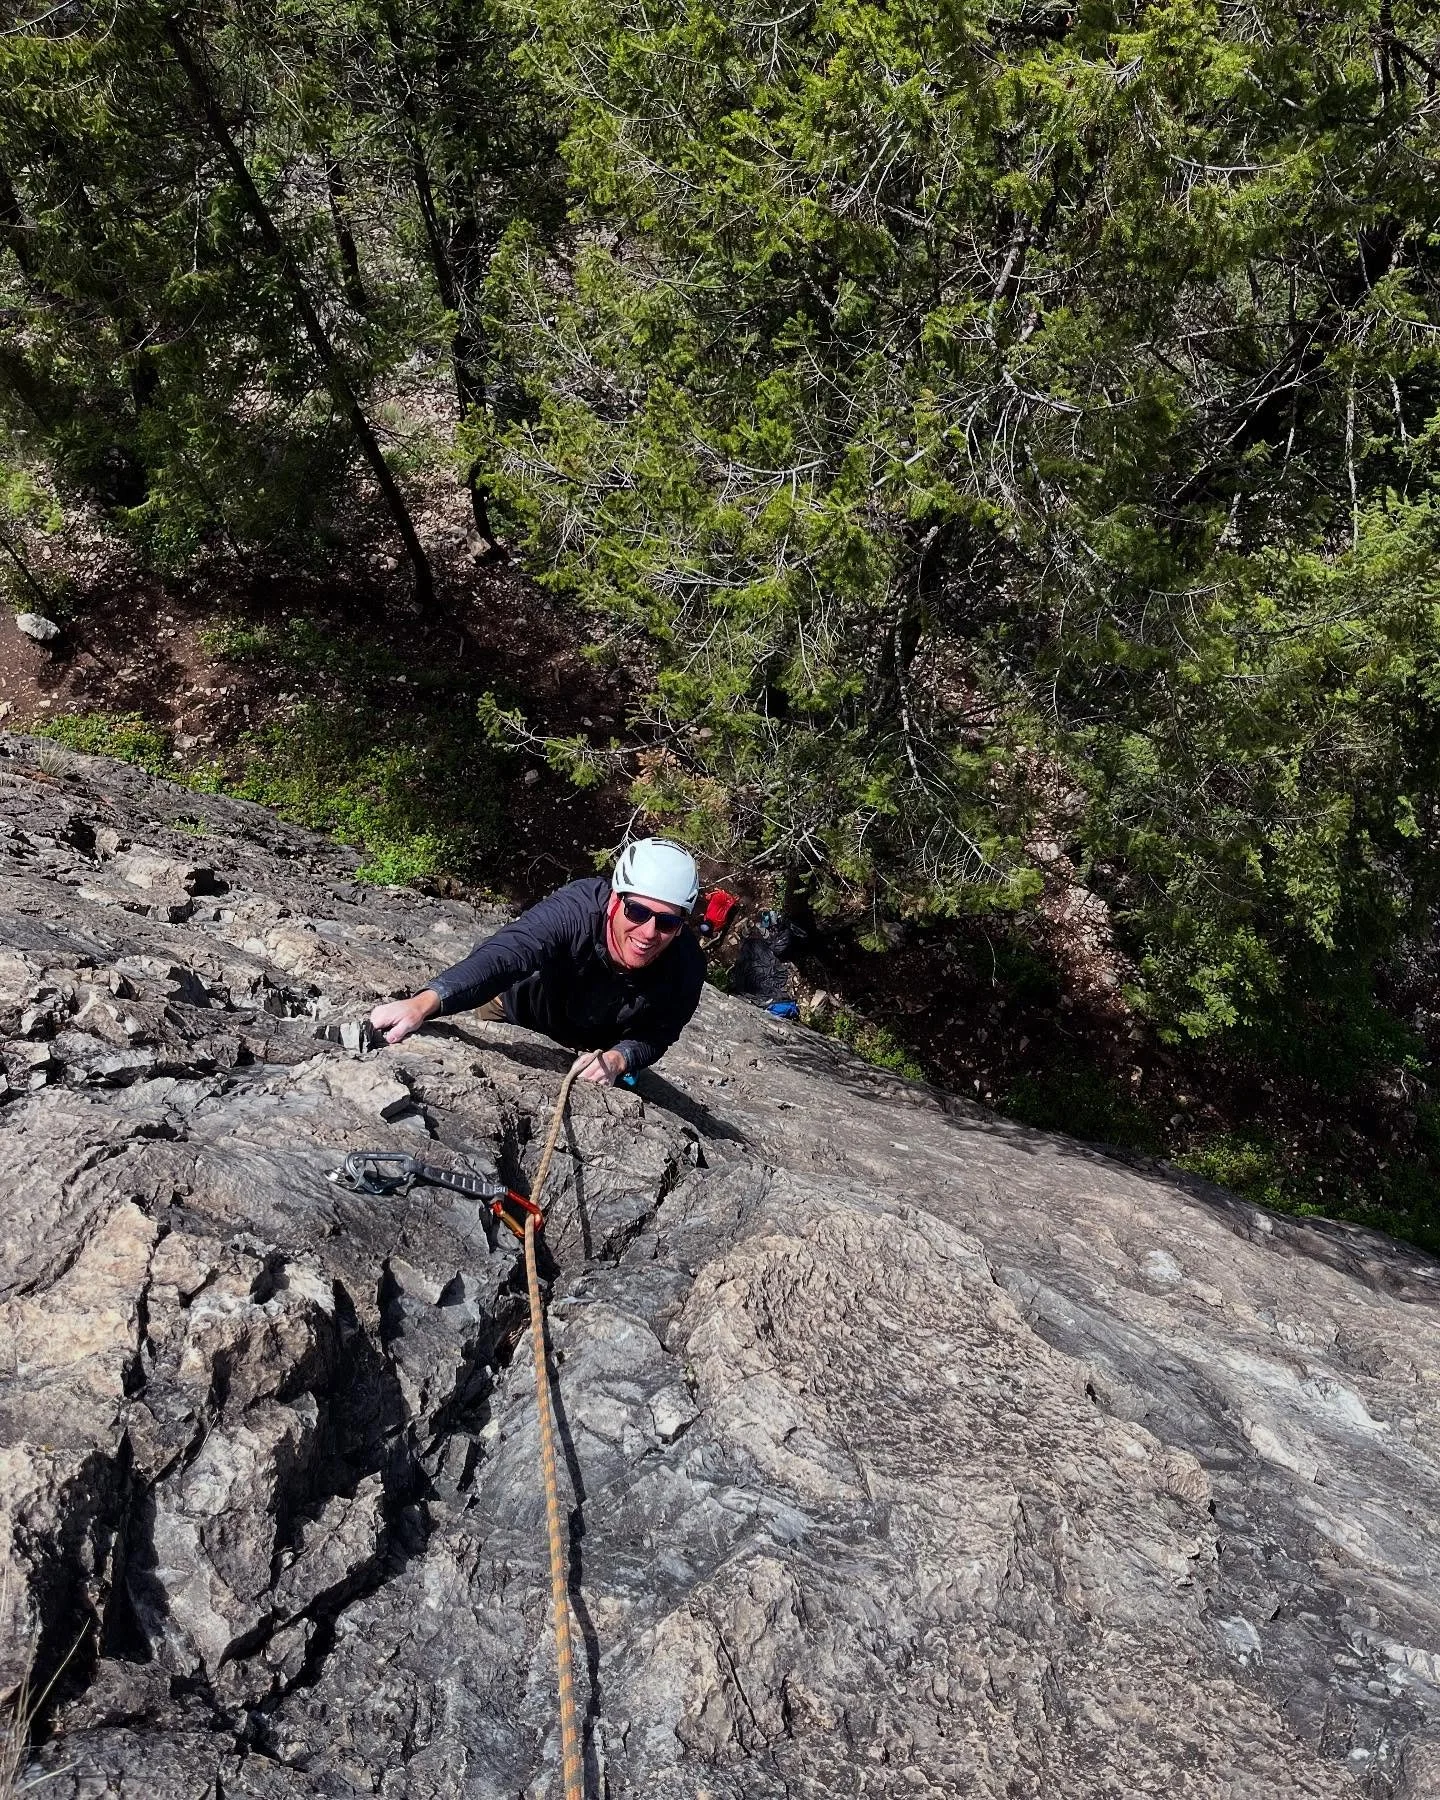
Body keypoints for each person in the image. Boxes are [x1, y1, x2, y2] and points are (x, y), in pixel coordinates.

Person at [369, 838, 706, 1084]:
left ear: (680, 925)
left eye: (667, 922)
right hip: (517, 1008)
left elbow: (659, 1033)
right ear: (615, 901)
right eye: (637, 912)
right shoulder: (576, 912)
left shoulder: (686, 966)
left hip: (591, 1044)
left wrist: (620, 1058)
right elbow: (508, 953)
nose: (648, 932)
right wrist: (423, 1004)